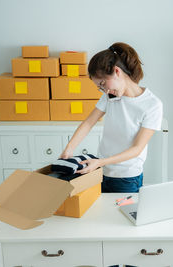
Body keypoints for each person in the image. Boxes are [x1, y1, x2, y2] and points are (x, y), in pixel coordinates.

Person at [60, 42, 163, 194]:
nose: (104, 90)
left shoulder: (152, 105)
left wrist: (100, 162)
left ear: (117, 71)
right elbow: (88, 123)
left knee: (121, 216)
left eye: (103, 83)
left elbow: (136, 149)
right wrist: (69, 149)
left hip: (126, 178)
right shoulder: (110, 96)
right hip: (100, 171)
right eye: (100, 87)